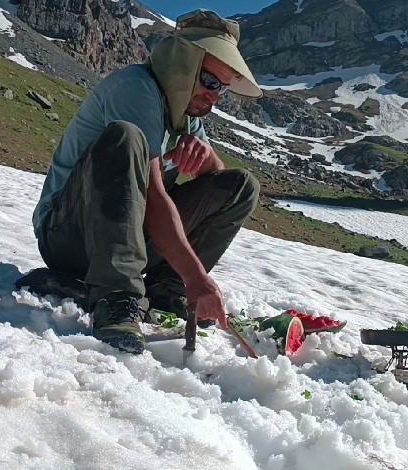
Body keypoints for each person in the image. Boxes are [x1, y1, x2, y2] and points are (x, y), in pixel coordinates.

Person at [31, 10, 262, 353]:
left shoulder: (185, 111)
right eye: (211, 82)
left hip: (128, 235)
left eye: (223, 89)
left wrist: (204, 156)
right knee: (127, 138)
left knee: (243, 185)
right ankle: (116, 297)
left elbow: (219, 185)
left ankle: (166, 289)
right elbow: (153, 198)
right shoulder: (136, 89)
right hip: (67, 235)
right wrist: (197, 277)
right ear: (183, 65)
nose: (215, 96)